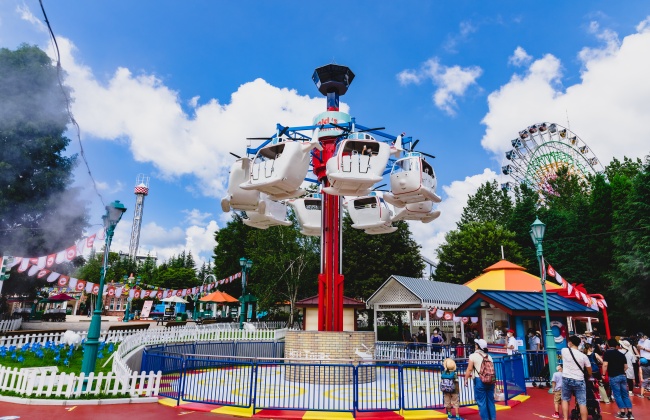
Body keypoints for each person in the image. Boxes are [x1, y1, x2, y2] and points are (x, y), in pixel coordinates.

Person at [464, 338, 496, 420]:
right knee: (490, 401)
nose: (475, 346)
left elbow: (469, 369)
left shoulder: (473, 356)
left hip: (479, 380)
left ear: (478, 346)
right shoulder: (489, 356)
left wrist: (466, 379)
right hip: (490, 381)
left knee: (482, 402)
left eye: (476, 344)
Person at [561, 335, 592, 420]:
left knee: (565, 399)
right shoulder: (583, 356)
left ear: (570, 342)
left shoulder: (564, 350)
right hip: (579, 379)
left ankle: (565, 418)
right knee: (582, 402)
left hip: (566, 378)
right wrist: (588, 376)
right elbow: (589, 370)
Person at [603, 338, 634, 419]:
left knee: (617, 395)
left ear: (608, 345)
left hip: (614, 376)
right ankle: (630, 412)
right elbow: (626, 367)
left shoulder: (607, 353)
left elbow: (605, 365)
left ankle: (622, 412)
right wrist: (620, 371)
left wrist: (603, 374)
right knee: (625, 394)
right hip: (622, 376)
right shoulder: (621, 354)